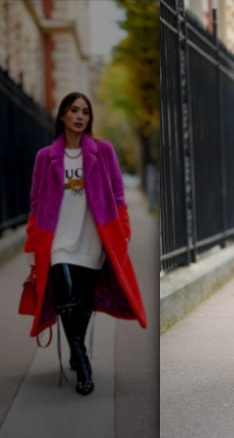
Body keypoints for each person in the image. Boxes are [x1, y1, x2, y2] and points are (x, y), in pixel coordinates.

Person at [22, 92, 147, 395]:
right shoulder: (46, 157)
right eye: (74, 110)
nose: (80, 116)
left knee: (84, 303)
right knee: (66, 301)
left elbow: (118, 195)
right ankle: (83, 364)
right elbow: (36, 204)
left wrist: (124, 233)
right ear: (62, 115)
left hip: (93, 239)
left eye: (85, 112)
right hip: (58, 241)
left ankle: (75, 355)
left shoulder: (102, 151)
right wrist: (32, 245)